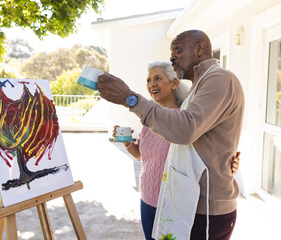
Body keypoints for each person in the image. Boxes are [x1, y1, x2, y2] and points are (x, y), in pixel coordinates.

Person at [98, 30, 244, 240]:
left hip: (208, 209)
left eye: (177, 49)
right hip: (187, 203)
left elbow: (185, 130)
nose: (172, 57)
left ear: (200, 49)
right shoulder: (199, 86)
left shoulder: (219, 78)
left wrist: (129, 98)